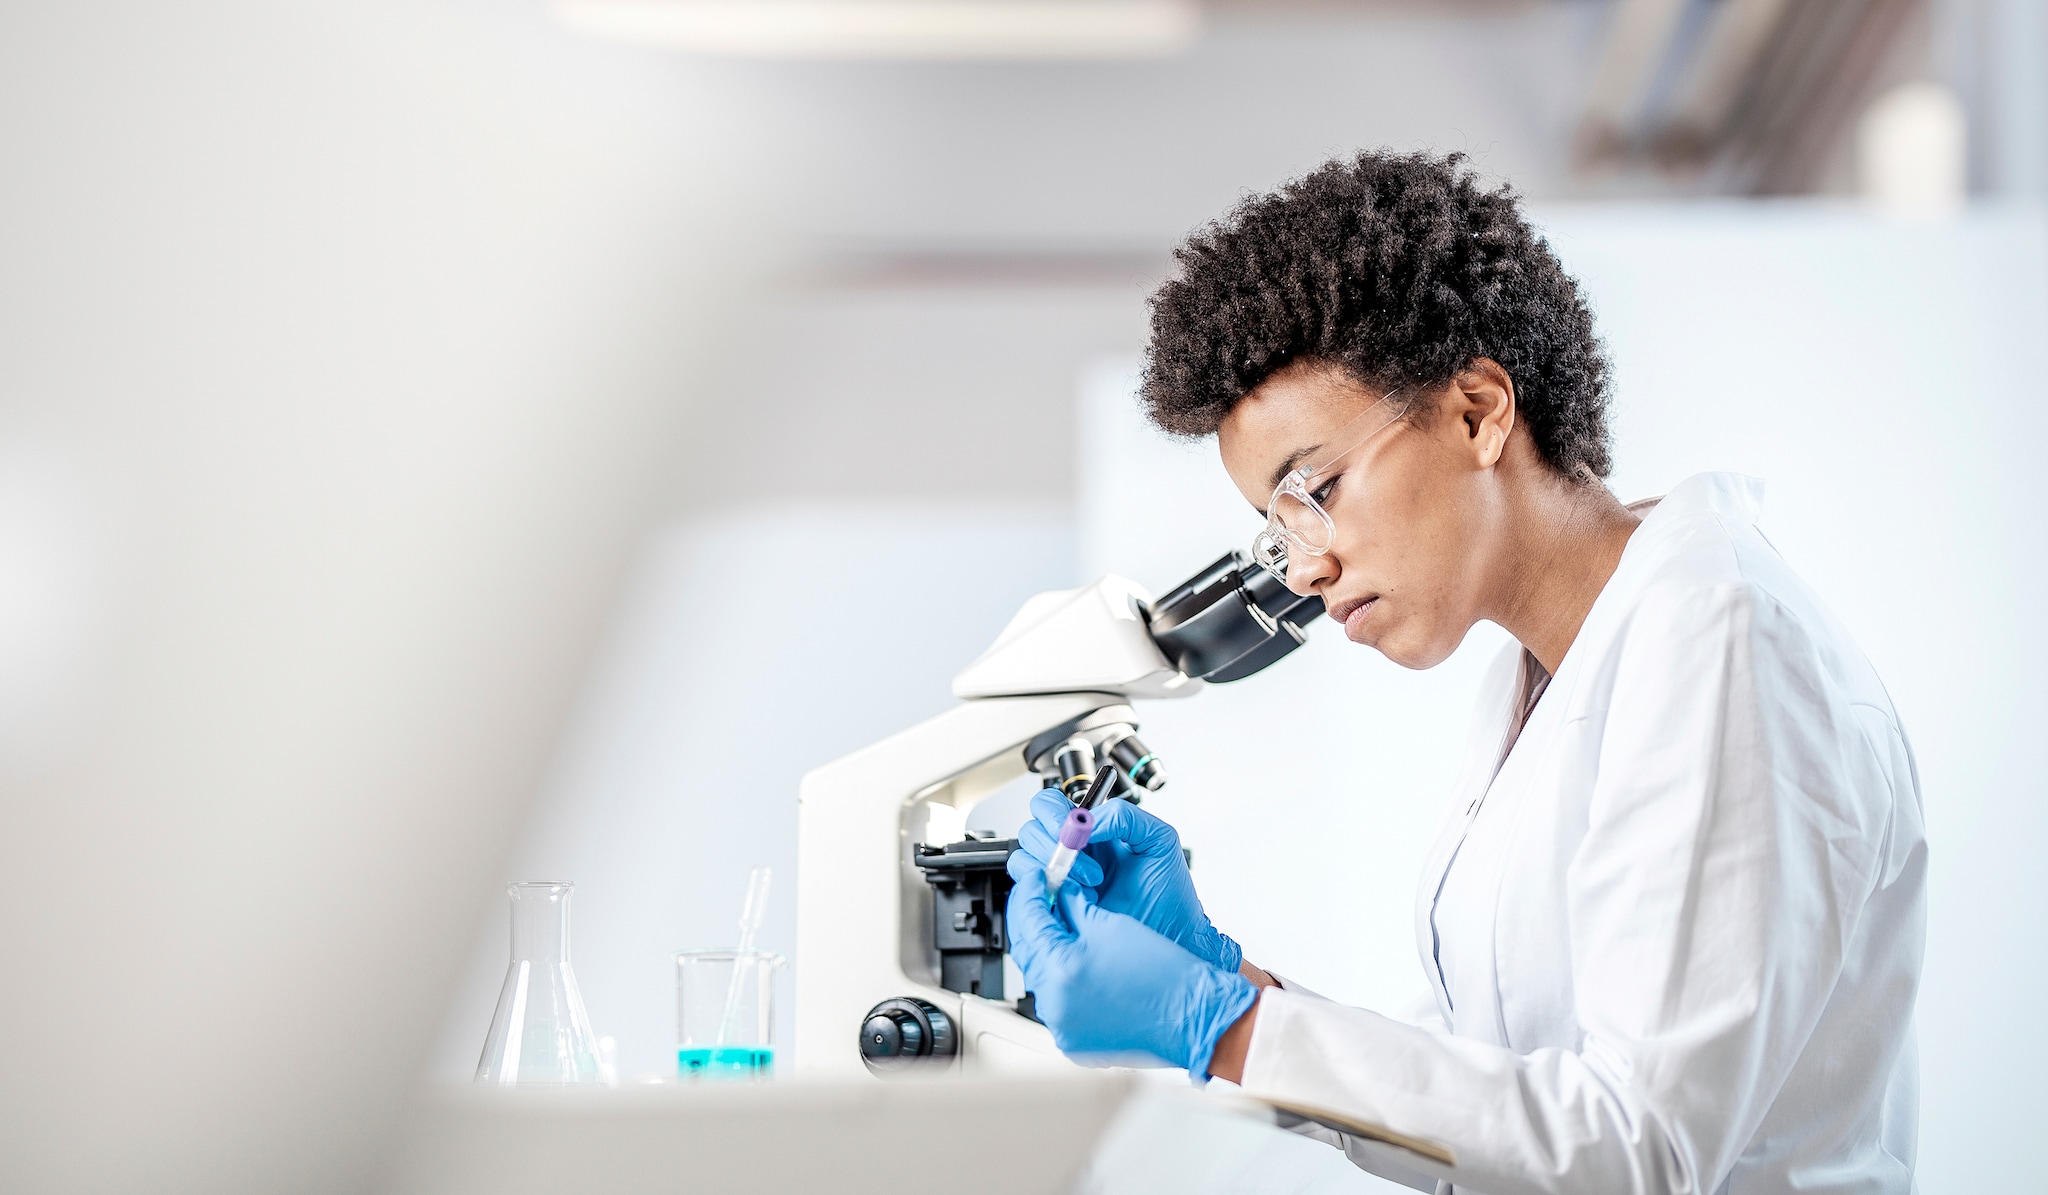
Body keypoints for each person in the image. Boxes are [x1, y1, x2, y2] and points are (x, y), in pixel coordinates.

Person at [1004, 151, 1926, 1194]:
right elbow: (1497, 1086)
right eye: (1273, 527)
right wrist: (1232, 984)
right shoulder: (1544, 674)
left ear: (1479, 409)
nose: (1303, 566)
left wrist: (1232, 1031)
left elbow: (1638, 1146)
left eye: (1312, 491)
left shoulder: (1717, 638)